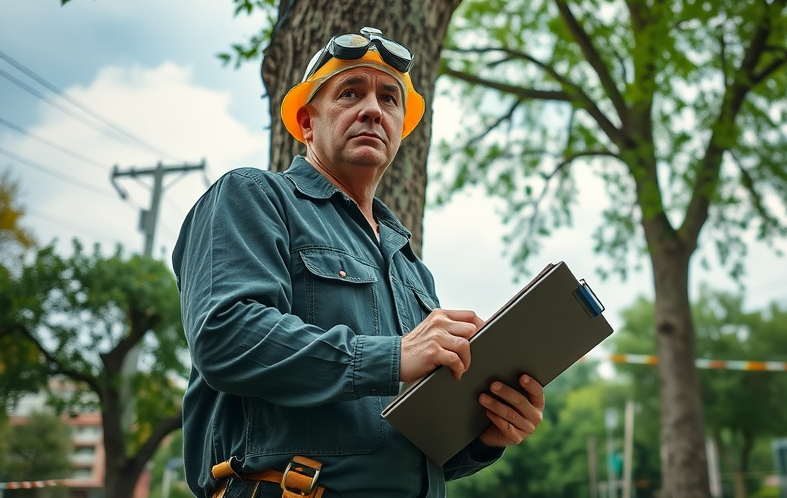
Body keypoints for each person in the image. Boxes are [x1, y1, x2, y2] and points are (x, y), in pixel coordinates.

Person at [172, 27, 545, 498]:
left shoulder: (411, 268)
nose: (373, 109)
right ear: (307, 122)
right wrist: (394, 356)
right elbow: (225, 335)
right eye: (350, 93)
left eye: (389, 99)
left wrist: (484, 435)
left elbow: (406, 449)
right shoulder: (254, 196)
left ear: (400, 129)